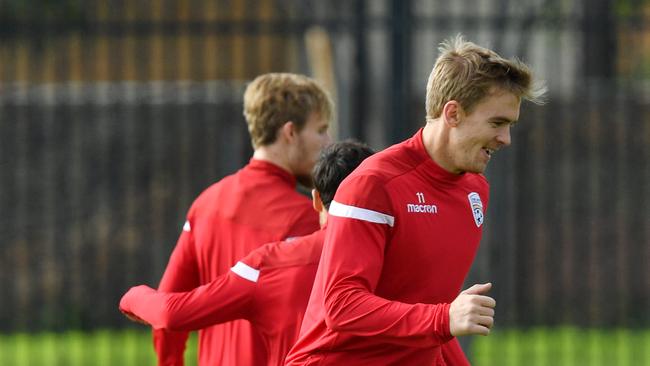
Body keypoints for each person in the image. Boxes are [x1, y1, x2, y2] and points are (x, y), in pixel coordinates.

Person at [285, 35, 546, 365]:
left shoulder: (475, 190)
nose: (505, 139)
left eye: (509, 125)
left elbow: (431, 319)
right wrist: (443, 319)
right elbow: (341, 306)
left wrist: (444, 322)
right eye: (497, 123)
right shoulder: (373, 184)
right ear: (453, 113)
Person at [119, 140, 375, 366]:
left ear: (317, 200)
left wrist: (132, 296)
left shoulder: (271, 263)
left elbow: (171, 313)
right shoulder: (405, 259)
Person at [155, 73, 333, 366]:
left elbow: (167, 312)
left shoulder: (205, 204)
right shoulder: (306, 219)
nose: (328, 142)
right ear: (290, 132)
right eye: (321, 130)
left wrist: (170, 361)